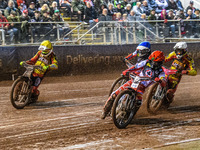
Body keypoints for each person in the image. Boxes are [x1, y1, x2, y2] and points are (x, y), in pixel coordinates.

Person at [101, 50, 166, 119]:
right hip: (134, 81)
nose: (153, 63)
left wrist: (160, 81)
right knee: (114, 94)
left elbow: (163, 81)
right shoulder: (146, 62)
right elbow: (135, 67)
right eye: (152, 61)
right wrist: (127, 71)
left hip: (142, 87)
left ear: (159, 63)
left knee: (138, 102)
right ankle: (105, 111)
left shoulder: (161, 72)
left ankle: (130, 116)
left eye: (155, 62)